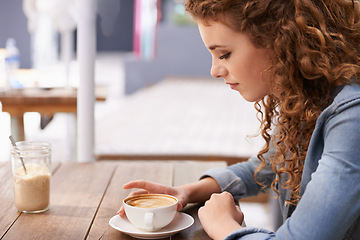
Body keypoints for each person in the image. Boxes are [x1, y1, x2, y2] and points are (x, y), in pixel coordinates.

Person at [118, 0, 360, 239]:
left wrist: (225, 227)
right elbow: (265, 166)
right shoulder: (308, 96)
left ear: (280, 38)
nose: (214, 70)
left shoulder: (352, 118)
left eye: (224, 54)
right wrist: (185, 192)